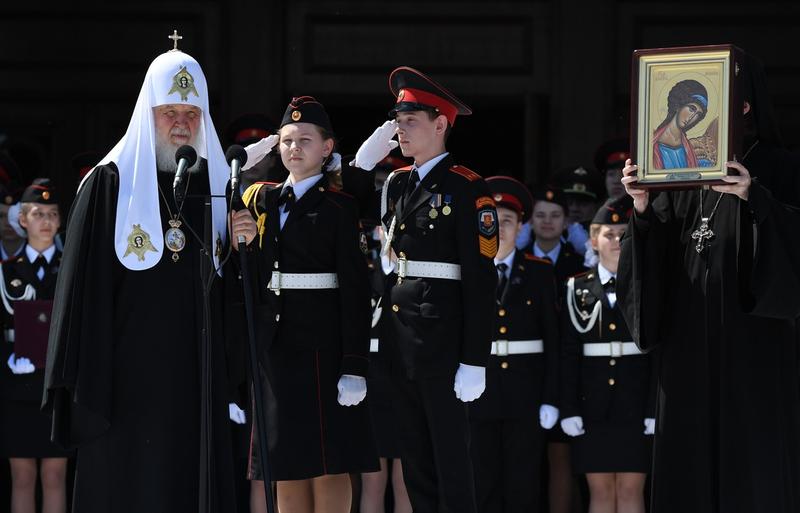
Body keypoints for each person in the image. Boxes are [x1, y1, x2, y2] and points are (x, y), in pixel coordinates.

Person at [42, 42, 241, 512]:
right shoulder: (108, 184)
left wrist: (240, 250)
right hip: (125, 383)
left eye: (192, 113)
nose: (181, 124)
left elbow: (227, 293)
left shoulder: (216, 188)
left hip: (195, 380)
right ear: (147, 113)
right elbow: (81, 295)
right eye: (169, 111)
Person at [618, 53, 800, 513]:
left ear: (743, 106)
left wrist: (753, 196)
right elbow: (655, 247)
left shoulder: (782, 166)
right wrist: (640, 206)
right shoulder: (677, 164)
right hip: (687, 335)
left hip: (752, 340)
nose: (702, 114)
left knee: (751, 462)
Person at [351, 66, 497, 513]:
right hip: (400, 341)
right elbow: (347, 212)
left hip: (443, 342)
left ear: (440, 124)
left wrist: (474, 358)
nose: (400, 129)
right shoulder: (396, 182)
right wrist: (360, 166)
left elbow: (480, 279)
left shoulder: (467, 188)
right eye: (397, 120)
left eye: (410, 120)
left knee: (451, 459)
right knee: (414, 460)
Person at [239, 95, 378, 513]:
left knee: (328, 462)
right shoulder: (259, 199)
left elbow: (355, 291)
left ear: (327, 148)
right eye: (285, 140)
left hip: (323, 348)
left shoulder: (340, 206)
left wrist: (354, 363)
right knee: (285, 463)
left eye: (305, 139)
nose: (294, 148)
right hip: (275, 347)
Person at [467, 176, 560, 512]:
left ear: (522, 226)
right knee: (482, 483)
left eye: (507, 220)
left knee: (523, 485)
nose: (499, 228)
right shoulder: (467, 271)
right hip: (477, 396)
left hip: (526, 397)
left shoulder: (539, 271)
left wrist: (550, 398)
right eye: (491, 220)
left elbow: (554, 342)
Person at [560, 196, 656, 513]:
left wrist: (654, 408)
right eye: (609, 234)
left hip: (635, 403)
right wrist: (569, 407)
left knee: (630, 491)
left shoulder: (646, 285)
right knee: (600, 492)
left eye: (624, 234)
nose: (617, 241)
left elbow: (656, 354)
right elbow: (569, 354)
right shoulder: (577, 288)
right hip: (593, 406)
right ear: (593, 240)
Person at [1, 180, 72, 513]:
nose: (46, 221)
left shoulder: (71, 270)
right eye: (38, 214)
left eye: (52, 214)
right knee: (23, 476)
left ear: (60, 221)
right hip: (17, 385)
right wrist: (8, 358)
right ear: (23, 220)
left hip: (55, 386)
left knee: (56, 474)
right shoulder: (6, 271)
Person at [651, 79, 714, 170]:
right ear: (679, 105)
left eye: (698, 114)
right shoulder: (652, 146)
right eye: (691, 109)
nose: (692, 117)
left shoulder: (688, 147)